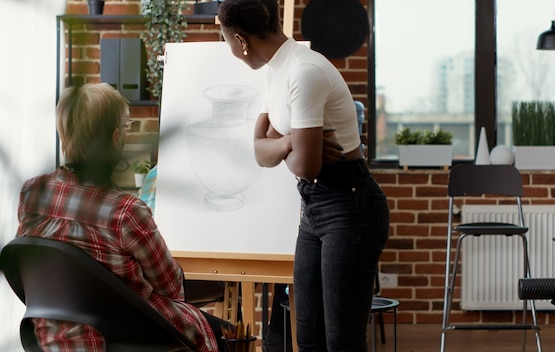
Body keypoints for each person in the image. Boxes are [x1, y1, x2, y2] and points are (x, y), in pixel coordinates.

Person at [218, 1, 391, 351]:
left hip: (349, 203)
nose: (229, 48)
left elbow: (307, 166)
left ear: (241, 39)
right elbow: (258, 149)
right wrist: (290, 142)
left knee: (341, 341)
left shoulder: (303, 71)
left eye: (225, 40)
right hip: (314, 209)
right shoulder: (275, 70)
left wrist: (281, 145)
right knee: (308, 337)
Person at [16, 83, 231, 352]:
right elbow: (170, 286)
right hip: (126, 340)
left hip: (52, 339)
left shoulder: (32, 194)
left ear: (63, 134)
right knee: (227, 336)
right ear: (116, 138)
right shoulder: (125, 211)